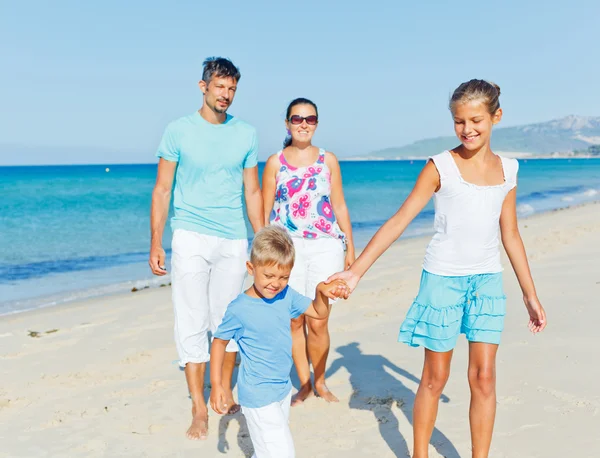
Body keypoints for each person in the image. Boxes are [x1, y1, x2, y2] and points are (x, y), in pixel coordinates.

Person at [328, 79, 547, 458]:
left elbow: (510, 234)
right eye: (459, 121)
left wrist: (530, 294)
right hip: (442, 281)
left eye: (476, 120)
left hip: (487, 283)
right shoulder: (439, 166)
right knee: (435, 377)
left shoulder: (508, 170)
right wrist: (355, 271)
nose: (468, 129)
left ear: (497, 116)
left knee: (484, 377)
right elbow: (399, 220)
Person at [148, 57, 263, 440]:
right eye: (220, 87)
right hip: (190, 236)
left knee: (227, 319)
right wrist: (156, 241)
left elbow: (252, 190)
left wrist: (259, 241)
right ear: (203, 87)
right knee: (192, 319)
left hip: (232, 236)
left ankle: (224, 387)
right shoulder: (178, 130)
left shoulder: (246, 134)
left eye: (232, 89)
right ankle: (199, 405)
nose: (226, 95)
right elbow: (163, 189)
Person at [209, 225, 348, 458]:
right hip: (257, 395)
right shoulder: (239, 309)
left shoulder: (287, 294)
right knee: (282, 452)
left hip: (282, 389)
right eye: (269, 276)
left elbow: (318, 312)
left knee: (268, 450)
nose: (276, 283)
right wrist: (217, 385)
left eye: (284, 277)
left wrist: (321, 293)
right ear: (251, 268)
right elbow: (219, 342)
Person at [261, 97, 355, 405]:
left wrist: (350, 247)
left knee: (319, 319)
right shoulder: (275, 162)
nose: (304, 124)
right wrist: (263, 255)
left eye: (310, 119)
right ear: (287, 123)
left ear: (316, 123)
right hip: (287, 249)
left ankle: (321, 380)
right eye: (297, 118)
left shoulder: (328, 160)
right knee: (294, 319)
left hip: (326, 245)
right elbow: (265, 213)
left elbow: (339, 204)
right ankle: (303, 383)